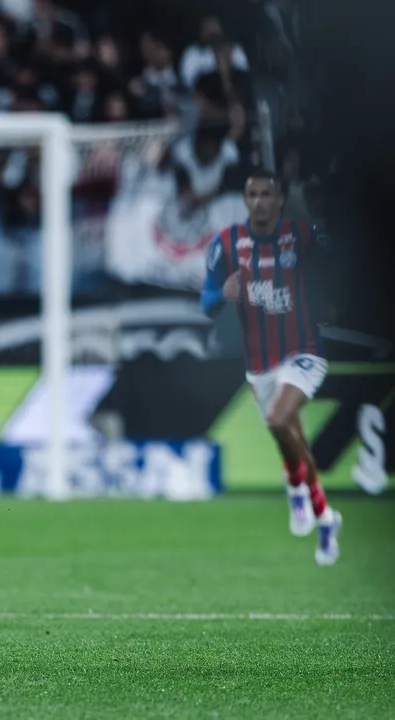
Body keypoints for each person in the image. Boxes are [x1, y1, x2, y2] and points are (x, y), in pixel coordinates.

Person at [201, 169, 341, 565]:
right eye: (253, 195)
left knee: (280, 419)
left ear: (279, 199)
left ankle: (294, 489)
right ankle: (325, 517)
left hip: (303, 352)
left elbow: (340, 260)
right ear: (245, 200)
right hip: (259, 364)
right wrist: (221, 293)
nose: (260, 201)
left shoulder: (302, 234)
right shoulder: (226, 244)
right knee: (291, 438)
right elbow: (206, 301)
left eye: (267, 194)